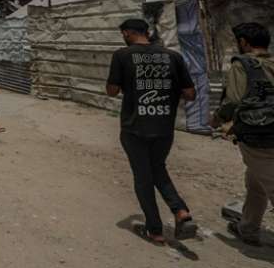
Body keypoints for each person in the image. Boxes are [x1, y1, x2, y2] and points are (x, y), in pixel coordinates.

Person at [106, 18, 198, 244]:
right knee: (157, 168)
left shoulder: (122, 56)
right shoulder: (173, 56)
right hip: (164, 127)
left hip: (134, 127)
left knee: (143, 177)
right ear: (147, 32)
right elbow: (190, 94)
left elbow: (112, 91)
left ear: (127, 33)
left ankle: (155, 229)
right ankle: (180, 211)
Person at [211, 22, 274, 246]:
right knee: (255, 184)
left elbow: (233, 102)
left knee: (267, 181)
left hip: (260, 136)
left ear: (243, 42)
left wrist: (217, 119)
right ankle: (248, 229)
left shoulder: (242, 65)